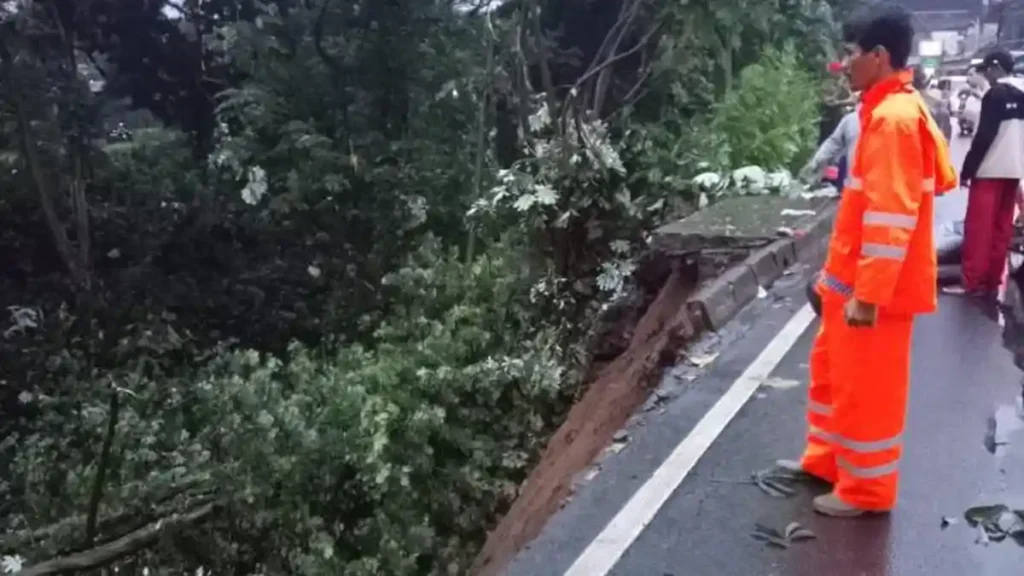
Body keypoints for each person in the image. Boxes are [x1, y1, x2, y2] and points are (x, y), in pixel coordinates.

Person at [784, 2, 957, 517]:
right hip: (849, 281)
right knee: (833, 374)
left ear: (878, 56)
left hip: (875, 292)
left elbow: (890, 219)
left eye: (850, 53)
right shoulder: (882, 111)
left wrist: (869, 295)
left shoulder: (894, 121)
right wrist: (837, 280)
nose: (844, 64)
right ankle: (827, 461)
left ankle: (865, 490)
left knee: (868, 392)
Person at [952, 50, 1024, 299]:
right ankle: (993, 281)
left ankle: (972, 282)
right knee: (1001, 229)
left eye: (988, 70)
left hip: (989, 170)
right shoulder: (1022, 91)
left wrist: (968, 169)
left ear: (996, 68)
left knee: (979, 229)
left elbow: (985, 135)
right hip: (1014, 171)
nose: (987, 76)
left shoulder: (996, 94)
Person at [802, 102, 859, 189]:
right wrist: (815, 162)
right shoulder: (851, 120)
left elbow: (833, 142)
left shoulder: (851, 119)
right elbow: (833, 142)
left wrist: (815, 162)